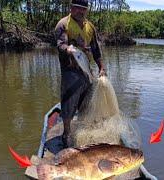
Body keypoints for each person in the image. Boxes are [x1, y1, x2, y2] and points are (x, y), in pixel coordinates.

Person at [54, 0, 106, 147]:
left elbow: (96, 49)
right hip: (70, 72)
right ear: (71, 8)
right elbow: (60, 44)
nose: (80, 11)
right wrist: (67, 49)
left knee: (87, 102)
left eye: (83, 9)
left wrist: (102, 67)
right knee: (68, 103)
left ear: (86, 10)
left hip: (86, 71)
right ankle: (67, 133)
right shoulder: (63, 24)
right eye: (77, 8)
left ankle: (82, 132)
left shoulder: (90, 27)